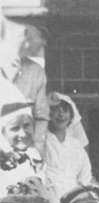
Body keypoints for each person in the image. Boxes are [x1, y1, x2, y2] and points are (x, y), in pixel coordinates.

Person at [1, 20, 50, 156]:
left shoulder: (36, 71)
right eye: (41, 38)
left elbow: (41, 116)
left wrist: (37, 148)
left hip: (23, 152)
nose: (43, 44)